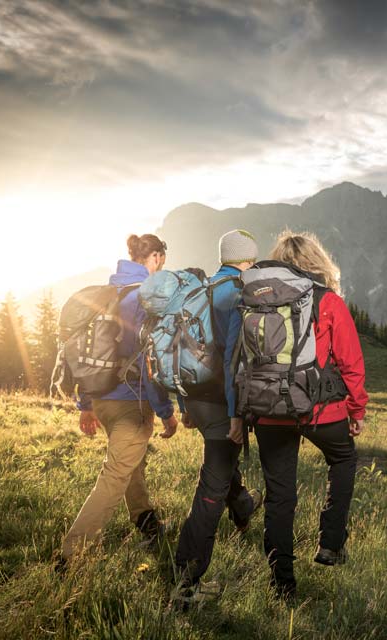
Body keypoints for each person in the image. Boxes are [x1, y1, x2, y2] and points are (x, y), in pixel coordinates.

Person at [254, 230, 369, 600]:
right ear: (318, 261)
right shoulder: (328, 300)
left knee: (279, 495)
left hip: (269, 407)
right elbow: (351, 363)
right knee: (343, 458)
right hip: (319, 408)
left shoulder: (257, 301)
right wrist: (356, 409)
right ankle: (331, 543)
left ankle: (282, 584)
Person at [58, 234, 178, 566]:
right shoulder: (144, 299)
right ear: (154, 257)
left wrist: (85, 405)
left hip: (101, 401)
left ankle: (145, 520)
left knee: (130, 462)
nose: (159, 270)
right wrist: (166, 412)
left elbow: (84, 353)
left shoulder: (105, 294)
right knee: (115, 474)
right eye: (160, 263)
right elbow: (149, 363)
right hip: (130, 402)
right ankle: (72, 553)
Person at [174, 229, 262, 596]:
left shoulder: (198, 289)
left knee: (223, 463)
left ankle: (242, 506)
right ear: (247, 261)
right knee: (212, 487)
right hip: (219, 403)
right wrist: (235, 415)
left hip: (192, 396)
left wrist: (183, 406)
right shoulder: (237, 295)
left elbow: (178, 348)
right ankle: (185, 584)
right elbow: (233, 362)